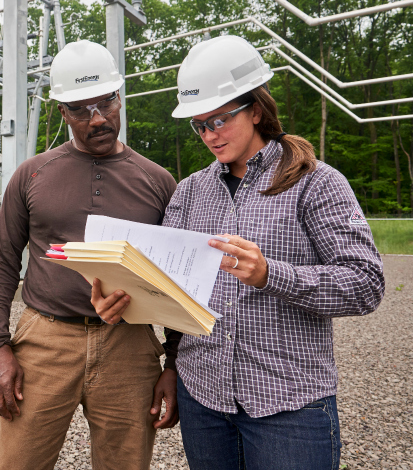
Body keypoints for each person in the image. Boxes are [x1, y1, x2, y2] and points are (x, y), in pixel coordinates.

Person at [91, 35, 385, 470]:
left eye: (219, 120)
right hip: (204, 398)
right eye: (199, 124)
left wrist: (271, 274)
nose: (209, 135)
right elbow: (168, 288)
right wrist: (123, 297)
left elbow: (366, 284)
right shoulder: (190, 192)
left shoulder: (316, 183)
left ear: (256, 109)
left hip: (289, 404)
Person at [0, 40, 183, 470]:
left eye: (106, 103)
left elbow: (179, 278)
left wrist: (175, 362)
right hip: (45, 339)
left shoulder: (158, 182)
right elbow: (1, 259)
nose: (97, 119)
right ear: (62, 113)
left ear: (119, 97)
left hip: (129, 345)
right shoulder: (32, 175)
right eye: (80, 109)